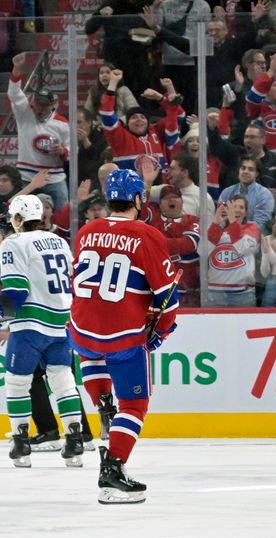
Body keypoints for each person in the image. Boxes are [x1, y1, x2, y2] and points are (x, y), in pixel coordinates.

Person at [66, 169, 179, 504]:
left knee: (91, 349)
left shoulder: (87, 230)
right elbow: (167, 298)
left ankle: (102, 401)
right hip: (123, 332)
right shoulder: (146, 235)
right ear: (138, 200)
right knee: (134, 403)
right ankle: (112, 468)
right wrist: (160, 333)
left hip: (82, 327)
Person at [0, 195, 85, 469]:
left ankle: (21, 443)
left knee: (17, 382)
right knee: (63, 380)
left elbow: (16, 291)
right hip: (61, 323)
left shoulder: (14, 242)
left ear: (19, 218)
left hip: (30, 326)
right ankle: (74, 441)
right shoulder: (59, 241)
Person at [8, 53, 71, 211]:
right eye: (38, 104)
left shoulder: (62, 123)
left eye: (44, 105)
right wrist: (17, 69)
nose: (40, 108)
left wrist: (63, 151)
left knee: (63, 216)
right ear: (33, 102)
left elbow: (73, 150)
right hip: (26, 176)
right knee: (20, 215)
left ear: (52, 105)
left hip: (54, 177)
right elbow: (14, 94)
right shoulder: (25, 113)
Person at [206, 194, 260, 307]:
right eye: (234, 206)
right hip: (215, 293)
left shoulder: (251, 228)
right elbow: (203, 251)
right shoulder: (216, 229)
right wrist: (215, 223)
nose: (237, 210)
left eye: (241, 207)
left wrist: (232, 221)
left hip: (242, 294)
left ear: (246, 212)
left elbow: (243, 247)